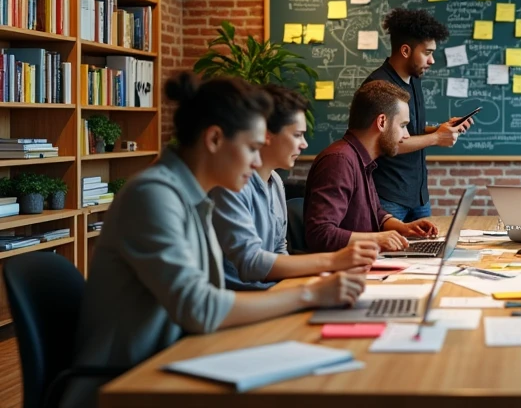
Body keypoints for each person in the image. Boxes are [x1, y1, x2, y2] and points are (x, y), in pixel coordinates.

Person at [67, 74, 366, 408]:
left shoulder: (193, 195)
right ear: (214, 139)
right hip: (124, 384)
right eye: (252, 148)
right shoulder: (153, 196)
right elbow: (201, 307)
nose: (256, 162)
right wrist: (311, 293)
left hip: (178, 359)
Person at [211, 84, 379, 291]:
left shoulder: (276, 181)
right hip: (244, 300)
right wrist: (332, 262)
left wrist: (312, 280)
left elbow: (280, 249)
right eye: (297, 135)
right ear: (266, 135)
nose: (304, 144)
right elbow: (251, 263)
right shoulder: (231, 185)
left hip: (274, 292)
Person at [363, 8, 473, 221]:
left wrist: (442, 128)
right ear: (405, 51)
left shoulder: (413, 81)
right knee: (387, 254)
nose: (432, 60)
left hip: (419, 196)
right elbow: (387, 144)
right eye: (427, 52)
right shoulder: (380, 88)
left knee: (428, 252)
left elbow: (409, 130)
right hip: (389, 198)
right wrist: (436, 138)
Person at [304, 79, 439, 253]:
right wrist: (377, 239)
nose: (406, 135)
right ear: (382, 122)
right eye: (403, 125)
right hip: (341, 273)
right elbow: (320, 234)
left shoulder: (362, 158)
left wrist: (402, 227)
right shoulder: (339, 161)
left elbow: (375, 212)